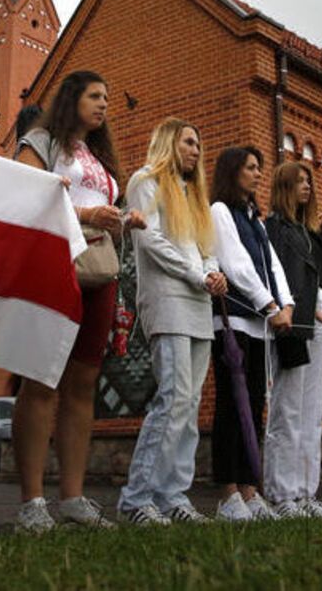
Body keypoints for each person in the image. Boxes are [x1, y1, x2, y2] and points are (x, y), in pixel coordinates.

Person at [11, 71, 145, 532]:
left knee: (84, 382)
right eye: (94, 96)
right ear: (72, 99)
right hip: (54, 264)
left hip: (99, 268)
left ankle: (72, 497)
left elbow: (101, 207)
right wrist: (88, 213)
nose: (104, 104)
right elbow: (24, 193)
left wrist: (123, 218)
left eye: (107, 97)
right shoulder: (41, 141)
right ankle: (31, 501)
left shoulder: (99, 156)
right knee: (42, 379)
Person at [117, 118, 226, 525]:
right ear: (168, 142)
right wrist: (198, 275)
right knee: (173, 398)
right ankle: (137, 498)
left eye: (198, 144)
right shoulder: (146, 181)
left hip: (198, 302)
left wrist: (213, 272)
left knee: (190, 403)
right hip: (168, 300)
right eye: (188, 142)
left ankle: (172, 495)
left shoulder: (193, 194)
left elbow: (206, 248)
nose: (196, 151)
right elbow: (152, 241)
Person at [208, 146, 293, 522]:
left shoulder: (254, 219)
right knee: (231, 404)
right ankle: (228, 494)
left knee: (254, 403)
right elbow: (235, 263)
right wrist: (270, 306)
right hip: (234, 322)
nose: (259, 174)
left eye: (259, 168)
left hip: (260, 325)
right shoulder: (220, 211)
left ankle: (249, 489)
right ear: (233, 171)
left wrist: (287, 304)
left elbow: (273, 266)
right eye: (251, 167)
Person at [263, 162, 322, 520]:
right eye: (299, 181)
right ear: (284, 186)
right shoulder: (274, 228)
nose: (307, 187)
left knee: (313, 412)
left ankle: (305, 492)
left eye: (309, 181)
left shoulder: (311, 234)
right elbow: (277, 278)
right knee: (287, 411)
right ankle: (282, 493)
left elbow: (316, 284)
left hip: (314, 329)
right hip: (291, 327)